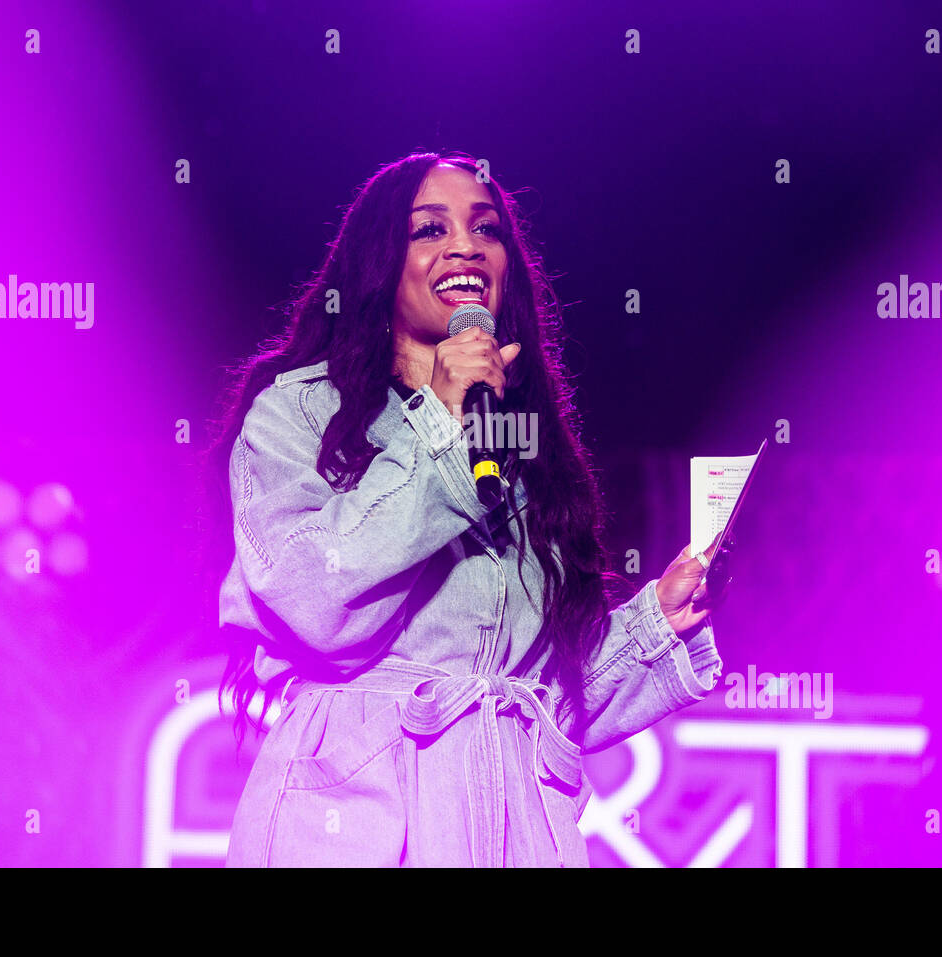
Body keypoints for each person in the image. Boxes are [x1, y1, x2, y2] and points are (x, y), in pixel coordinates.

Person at [210, 151, 730, 867]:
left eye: (486, 230)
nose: (464, 245)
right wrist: (439, 423)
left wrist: (654, 624)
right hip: (353, 823)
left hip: (510, 832)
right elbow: (316, 600)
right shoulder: (298, 412)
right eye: (429, 229)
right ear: (378, 263)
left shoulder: (523, 447)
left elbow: (538, 698)